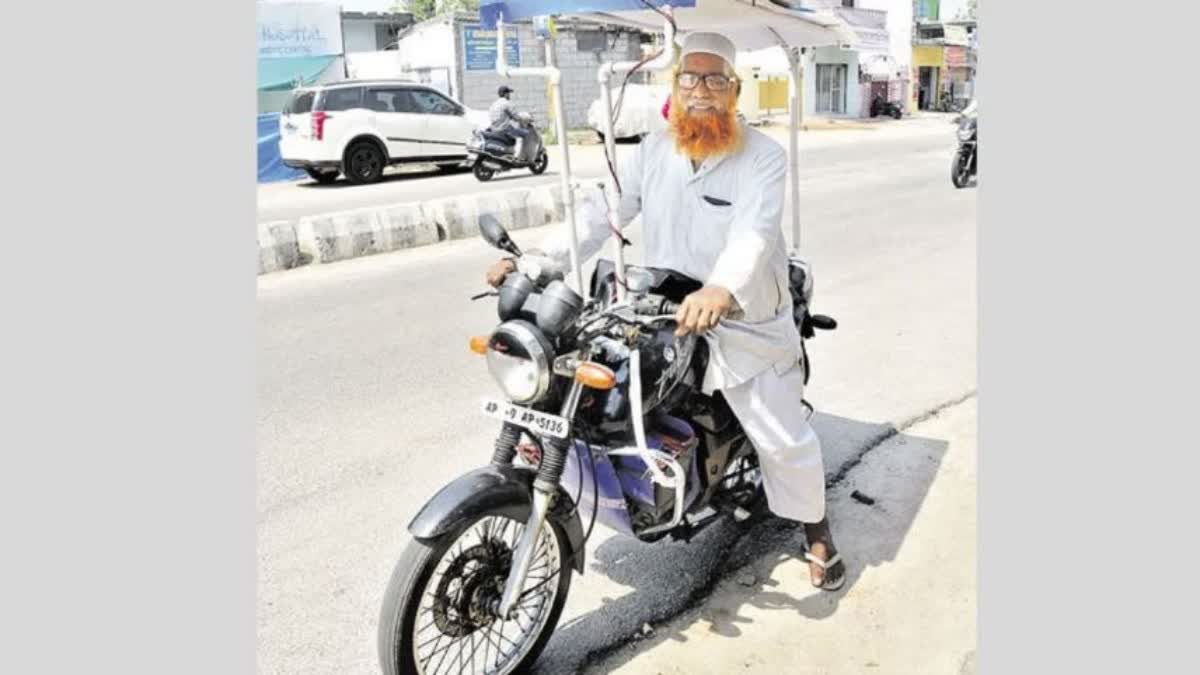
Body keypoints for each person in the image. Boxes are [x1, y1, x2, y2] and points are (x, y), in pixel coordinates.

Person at [485, 32, 846, 591]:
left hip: (743, 318)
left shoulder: (763, 158)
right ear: (674, 86)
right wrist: (539, 261)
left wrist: (721, 289)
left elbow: (753, 232)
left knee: (779, 435)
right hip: (661, 309)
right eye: (690, 78)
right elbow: (603, 212)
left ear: (735, 90)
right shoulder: (654, 149)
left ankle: (816, 530)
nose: (701, 91)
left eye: (714, 80)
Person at [488, 85, 533, 163]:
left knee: (513, 131)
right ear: (505, 94)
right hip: (504, 129)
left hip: (494, 129)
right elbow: (516, 117)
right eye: (509, 93)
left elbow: (506, 115)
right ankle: (516, 158)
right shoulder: (506, 103)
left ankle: (510, 153)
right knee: (521, 136)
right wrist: (526, 119)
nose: (509, 95)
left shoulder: (494, 104)